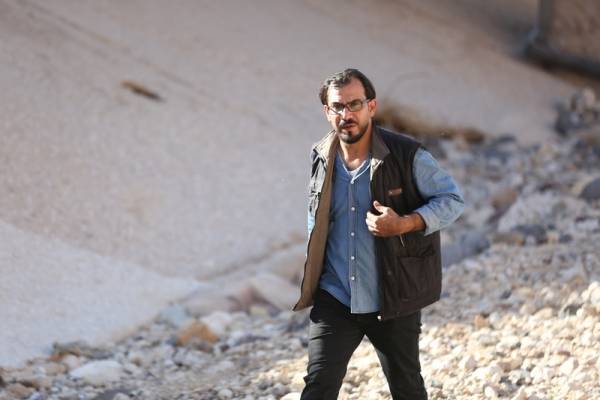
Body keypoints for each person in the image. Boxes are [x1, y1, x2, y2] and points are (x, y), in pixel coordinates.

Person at [293, 68, 465, 399]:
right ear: (327, 112)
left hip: (392, 296)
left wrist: (406, 223)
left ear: (371, 106)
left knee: (407, 388)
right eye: (338, 106)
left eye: (355, 104)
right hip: (336, 296)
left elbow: (452, 200)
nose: (346, 114)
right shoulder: (321, 155)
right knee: (318, 386)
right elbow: (319, 220)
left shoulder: (407, 154)